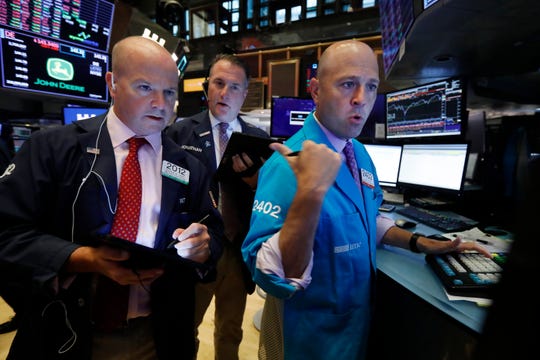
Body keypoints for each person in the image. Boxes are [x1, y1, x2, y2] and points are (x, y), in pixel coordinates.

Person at [241, 39, 490, 360]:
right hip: (312, 336)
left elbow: (367, 216)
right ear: (315, 90)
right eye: (348, 85)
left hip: (356, 322)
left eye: (371, 87)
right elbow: (268, 276)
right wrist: (310, 196)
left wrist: (423, 243)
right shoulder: (287, 164)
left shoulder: (358, 152)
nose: (362, 99)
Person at [0, 36, 223, 359]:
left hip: (157, 335)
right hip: (67, 331)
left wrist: (204, 246)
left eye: (170, 92)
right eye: (145, 88)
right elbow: (6, 232)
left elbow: (213, 233)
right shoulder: (53, 148)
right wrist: (83, 259)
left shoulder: (187, 165)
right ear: (113, 83)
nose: (161, 104)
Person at [167, 53, 270, 359]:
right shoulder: (179, 133)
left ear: (245, 92)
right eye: (219, 83)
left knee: (231, 330)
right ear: (207, 86)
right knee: (187, 326)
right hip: (197, 250)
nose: (225, 93)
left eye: (234, 87)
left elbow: (269, 200)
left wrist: (254, 183)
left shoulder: (258, 138)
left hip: (238, 251)